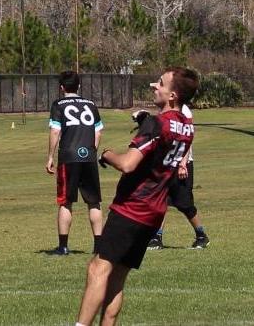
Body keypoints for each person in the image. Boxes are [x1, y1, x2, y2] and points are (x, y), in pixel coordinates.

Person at [76, 67, 199, 326]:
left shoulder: (156, 124)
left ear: (173, 95)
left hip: (133, 207)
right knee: (118, 277)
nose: (155, 85)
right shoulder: (188, 127)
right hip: (154, 212)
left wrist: (107, 154)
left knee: (98, 268)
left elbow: (128, 164)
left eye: (161, 84)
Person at [46, 71, 103, 255]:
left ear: (62, 88)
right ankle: (98, 246)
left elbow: (55, 132)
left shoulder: (58, 105)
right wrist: (91, 151)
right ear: (78, 86)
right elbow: (98, 132)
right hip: (89, 156)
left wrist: (50, 156)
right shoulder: (91, 104)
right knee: (94, 202)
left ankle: (63, 247)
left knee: (66, 202)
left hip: (69, 157)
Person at [144, 103, 209, 250]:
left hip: (181, 164)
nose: (156, 90)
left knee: (184, 203)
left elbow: (187, 139)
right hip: (167, 163)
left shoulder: (184, 110)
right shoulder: (164, 110)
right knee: (161, 201)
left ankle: (201, 235)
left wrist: (183, 164)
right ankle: (156, 237)